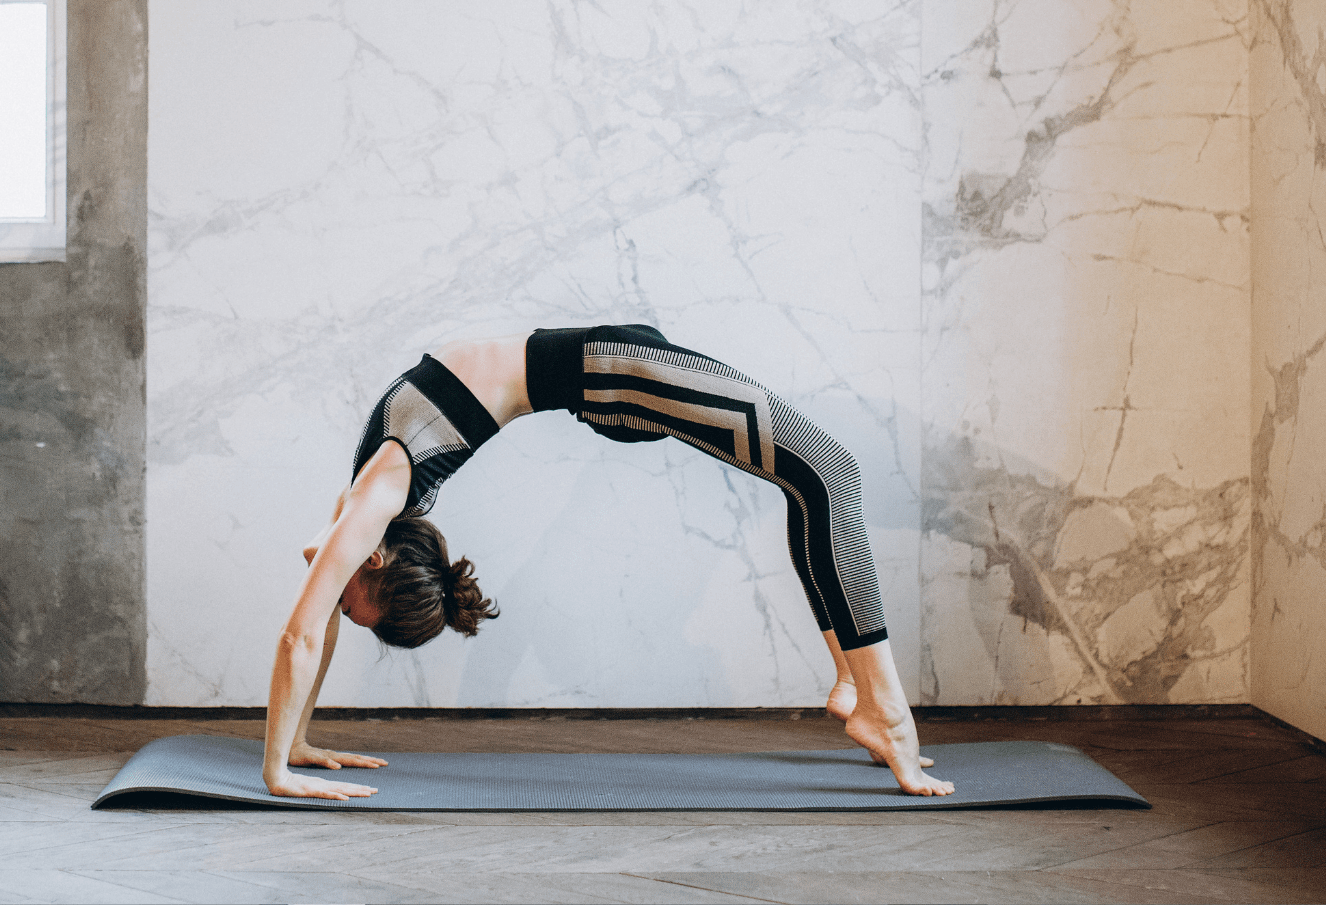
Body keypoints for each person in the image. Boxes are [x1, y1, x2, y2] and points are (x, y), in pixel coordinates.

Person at [263, 324, 953, 800]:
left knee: (826, 475)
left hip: (612, 370)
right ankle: (866, 696)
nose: (333, 599)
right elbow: (316, 614)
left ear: (374, 561)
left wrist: (276, 771)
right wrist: (295, 741)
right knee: (822, 476)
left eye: (349, 604)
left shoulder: (378, 495)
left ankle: (871, 700)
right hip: (608, 374)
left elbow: (301, 634)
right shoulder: (370, 503)